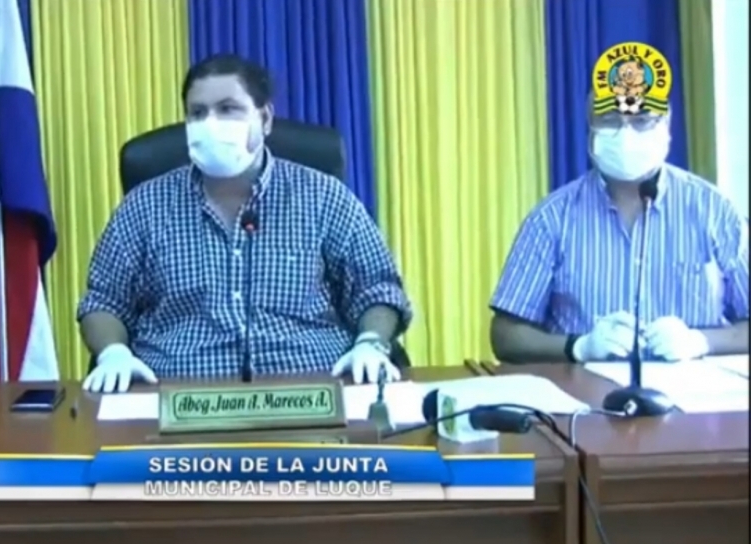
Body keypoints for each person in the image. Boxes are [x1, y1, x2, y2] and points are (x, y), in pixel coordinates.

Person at [77, 55, 412, 393]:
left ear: (264, 119)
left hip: (313, 394)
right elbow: (104, 301)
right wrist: (113, 353)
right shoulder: (146, 206)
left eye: (228, 109)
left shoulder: (324, 197)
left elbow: (378, 288)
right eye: (198, 113)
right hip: (179, 400)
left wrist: (370, 343)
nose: (211, 124)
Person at [489, 97, 749, 364]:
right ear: (590, 127)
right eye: (610, 120)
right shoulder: (551, 218)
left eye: (642, 120)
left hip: (696, 387)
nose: (626, 134)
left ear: (666, 125)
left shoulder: (715, 211)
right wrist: (578, 346)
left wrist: (701, 341)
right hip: (583, 387)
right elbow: (505, 335)